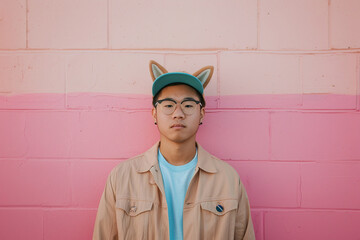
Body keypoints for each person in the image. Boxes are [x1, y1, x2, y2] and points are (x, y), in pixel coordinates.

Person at [93, 60, 255, 240]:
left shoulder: (227, 179)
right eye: (169, 105)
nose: (178, 113)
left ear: (201, 113)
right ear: (154, 113)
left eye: (188, 105)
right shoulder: (122, 177)